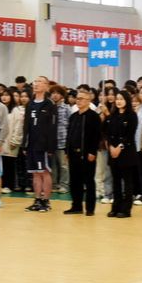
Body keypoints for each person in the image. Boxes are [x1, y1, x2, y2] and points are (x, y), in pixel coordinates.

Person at [63, 86, 102, 216]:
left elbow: (96, 136)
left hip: (87, 154)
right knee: (75, 181)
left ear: (88, 101)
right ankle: (76, 206)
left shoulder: (93, 116)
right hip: (73, 153)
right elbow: (69, 135)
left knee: (89, 181)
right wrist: (67, 151)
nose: (78, 101)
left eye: (81, 99)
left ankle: (90, 208)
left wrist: (92, 152)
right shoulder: (73, 116)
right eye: (77, 98)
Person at [22, 85, 60, 212]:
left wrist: (51, 147)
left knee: (44, 172)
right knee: (35, 173)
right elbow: (26, 125)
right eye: (35, 82)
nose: (36, 84)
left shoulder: (50, 104)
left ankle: (46, 201)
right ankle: (37, 200)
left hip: (43, 145)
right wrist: (24, 143)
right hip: (31, 144)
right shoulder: (30, 104)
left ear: (45, 86)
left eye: (39, 81)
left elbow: (53, 127)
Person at [103, 92, 139, 217]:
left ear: (127, 101)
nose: (118, 101)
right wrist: (111, 147)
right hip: (113, 152)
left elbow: (130, 134)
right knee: (116, 181)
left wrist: (119, 147)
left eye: (121, 99)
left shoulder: (132, 115)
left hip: (126, 153)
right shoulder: (112, 115)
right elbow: (107, 132)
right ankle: (116, 207)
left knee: (127, 182)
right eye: (117, 99)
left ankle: (126, 209)